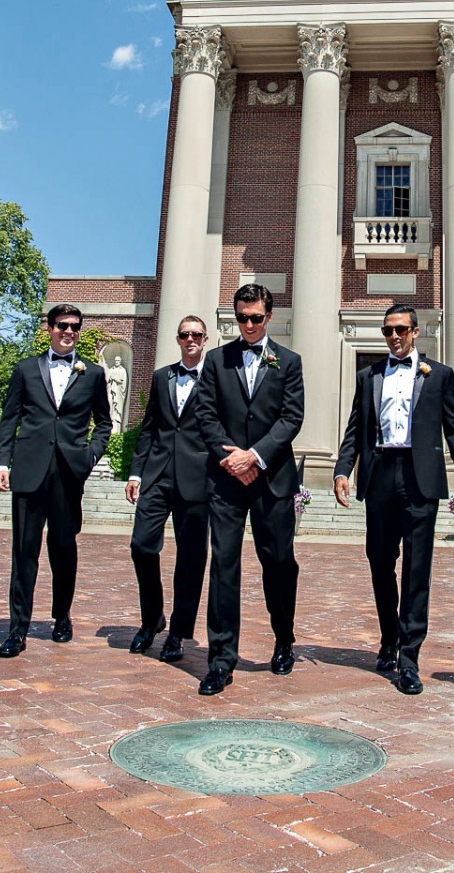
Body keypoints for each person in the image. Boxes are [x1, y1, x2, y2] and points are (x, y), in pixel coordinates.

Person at [332, 304, 454, 695]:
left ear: (415, 332)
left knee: (416, 569)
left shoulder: (439, 375)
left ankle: (409, 657)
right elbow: (354, 428)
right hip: (379, 474)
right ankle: (389, 637)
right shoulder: (369, 376)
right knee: (379, 561)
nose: (394, 337)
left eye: (401, 330)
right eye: (388, 331)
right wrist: (343, 469)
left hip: (420, 481)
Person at [191, 283, 305, 696]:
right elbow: (205, 415)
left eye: (256, 318)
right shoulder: (217, 361)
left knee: (278, 562)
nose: (250, 325)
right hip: (226, 480)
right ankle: (221, 659)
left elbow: (291, 418)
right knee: (223, 565)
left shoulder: (288, 362)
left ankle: (284, 638)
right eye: (242, 318)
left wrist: (254, 456)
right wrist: (231, 459)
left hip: (272, 480)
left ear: (269, 316)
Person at [0, 304, 112, 657]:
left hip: (69, 473)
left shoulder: (92, 373)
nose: (69, 331)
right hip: (29, 470)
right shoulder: (26, 369)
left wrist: (89, 456)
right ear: (49, 328)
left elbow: (103, 422)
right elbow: (9, 418)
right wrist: (2, 461)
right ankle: (17, 628)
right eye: (62, 325)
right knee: (24, 551)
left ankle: (62, 615)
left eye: (75, 326)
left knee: (63, 548)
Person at [124, 316, 215, 663]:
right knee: (141, 546)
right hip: (158, 474)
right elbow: (149, 427)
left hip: (198, 477)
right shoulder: (162, 377)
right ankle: (152, 619)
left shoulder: (217, 378)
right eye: (184, 334)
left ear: (205, 339)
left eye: (195, 334)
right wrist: (136, 473)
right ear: (178, 339)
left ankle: (178, 632)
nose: (190, 339)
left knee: (191, 559)